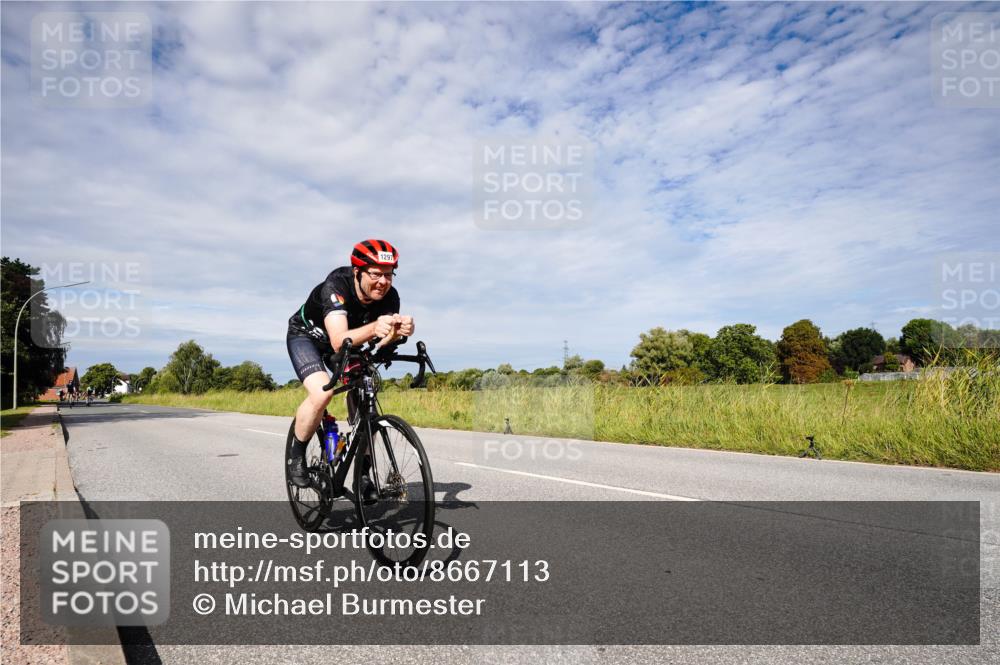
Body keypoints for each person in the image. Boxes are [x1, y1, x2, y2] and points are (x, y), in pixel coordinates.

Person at [285, 240, 415, 489]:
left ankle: (363, 475)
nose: (383, 282)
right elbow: (338, 341)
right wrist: (376, 327)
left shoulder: (390, 298)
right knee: (323, 392)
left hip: (350, 344)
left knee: (366, 394)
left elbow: (380, 344)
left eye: (389, 275)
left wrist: (399, 333)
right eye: (376, 274)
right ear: (357, 271)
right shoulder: (336, 285)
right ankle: (297, 456)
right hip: (308, 338)